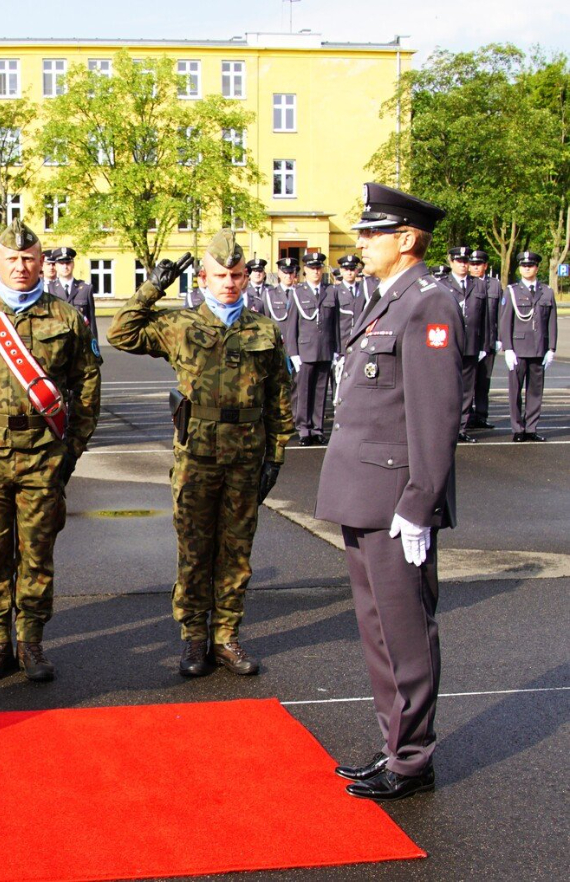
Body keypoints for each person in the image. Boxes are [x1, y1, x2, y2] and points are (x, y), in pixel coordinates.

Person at [315, 182, 459, 802]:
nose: (362, 242)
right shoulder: (387, 299)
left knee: (404, 629)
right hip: (361, 491)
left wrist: (419, 501)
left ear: (406, 240)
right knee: (378, 629)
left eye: (373, 233)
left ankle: (411, 758)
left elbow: (436, 413)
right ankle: (395, 744)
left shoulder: (428, 303)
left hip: (396, 499)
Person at [108, 231, 294, 677]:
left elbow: (279, 397)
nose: (229, 283)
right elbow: (120, 334)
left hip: (247, 455)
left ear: (246, 277)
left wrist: (277, 454)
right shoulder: (181, 326)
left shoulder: (264, 330)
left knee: (236, 550)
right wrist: (152, 288)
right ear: (203, 278)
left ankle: (226, 636)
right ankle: (194, 637)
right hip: (197, 457)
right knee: (194, 548)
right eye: (220, 275)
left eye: (236, 274)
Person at [0, 221, 100, 682]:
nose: (21, 267)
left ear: (41, 262)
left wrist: (74, 448)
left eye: (29, 258)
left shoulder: (66, 318)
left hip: (44, 456)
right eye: (12, 259)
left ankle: (30, 641)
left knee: (36, 552)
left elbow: (87, 387)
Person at [499, 251, 558, 442]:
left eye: (531, 266)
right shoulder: (513, 291)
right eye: (524, 266)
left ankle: (531, 427)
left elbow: (552, 322)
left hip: (539, 349)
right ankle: (518, 428)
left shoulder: (547, 291)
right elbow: (505, 321)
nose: (527, 268)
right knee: (515, 391)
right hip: (518, 349)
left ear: (537, 268)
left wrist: (552, 348)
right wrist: (507, 348)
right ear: (519, 268)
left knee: (535, 391)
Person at [286, 252, 338, 445]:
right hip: (305, 350)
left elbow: (336, 323)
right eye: (312, 268)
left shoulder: (331, 291)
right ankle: (304, 429)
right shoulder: (298, 293)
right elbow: (292, 326)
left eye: (318, 268)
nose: (316, 271)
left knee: (321, 391)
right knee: (304, 391)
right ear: (305, 270)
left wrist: (336, 349)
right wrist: (293, 353)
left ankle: (317, 428)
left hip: (325, 349)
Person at [440, 246, 488, 443]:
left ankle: (461, 427)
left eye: (466, 261)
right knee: (447, 387)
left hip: (471, 345)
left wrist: (484, 345)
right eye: (459, 261)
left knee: (467, 389)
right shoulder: (442, 284)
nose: (463, 264)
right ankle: (445, 426)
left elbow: (484, 318)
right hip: (449, 344)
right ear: (451, 262)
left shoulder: (478, 286)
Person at [466, 249, 501, 430]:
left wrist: (499, 337)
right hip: (471, 341)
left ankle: (481, 415)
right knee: (468, 381)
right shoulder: (467, 284)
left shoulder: (495, 285)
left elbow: (501, 314)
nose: (475, 267)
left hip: (489, 341)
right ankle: (468, 415)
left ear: (485, 266)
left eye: (479, 264)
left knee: (483, 381)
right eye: (472, 264)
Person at [50, 247, 98, 343]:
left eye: (68, 263)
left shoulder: (85, 289)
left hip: (81, 342)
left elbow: (91, 321)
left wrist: (94, 346)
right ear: (55, 266)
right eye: (61, 263)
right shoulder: (49, 289)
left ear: (73, 264)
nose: (65, 267)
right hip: (58, 343)